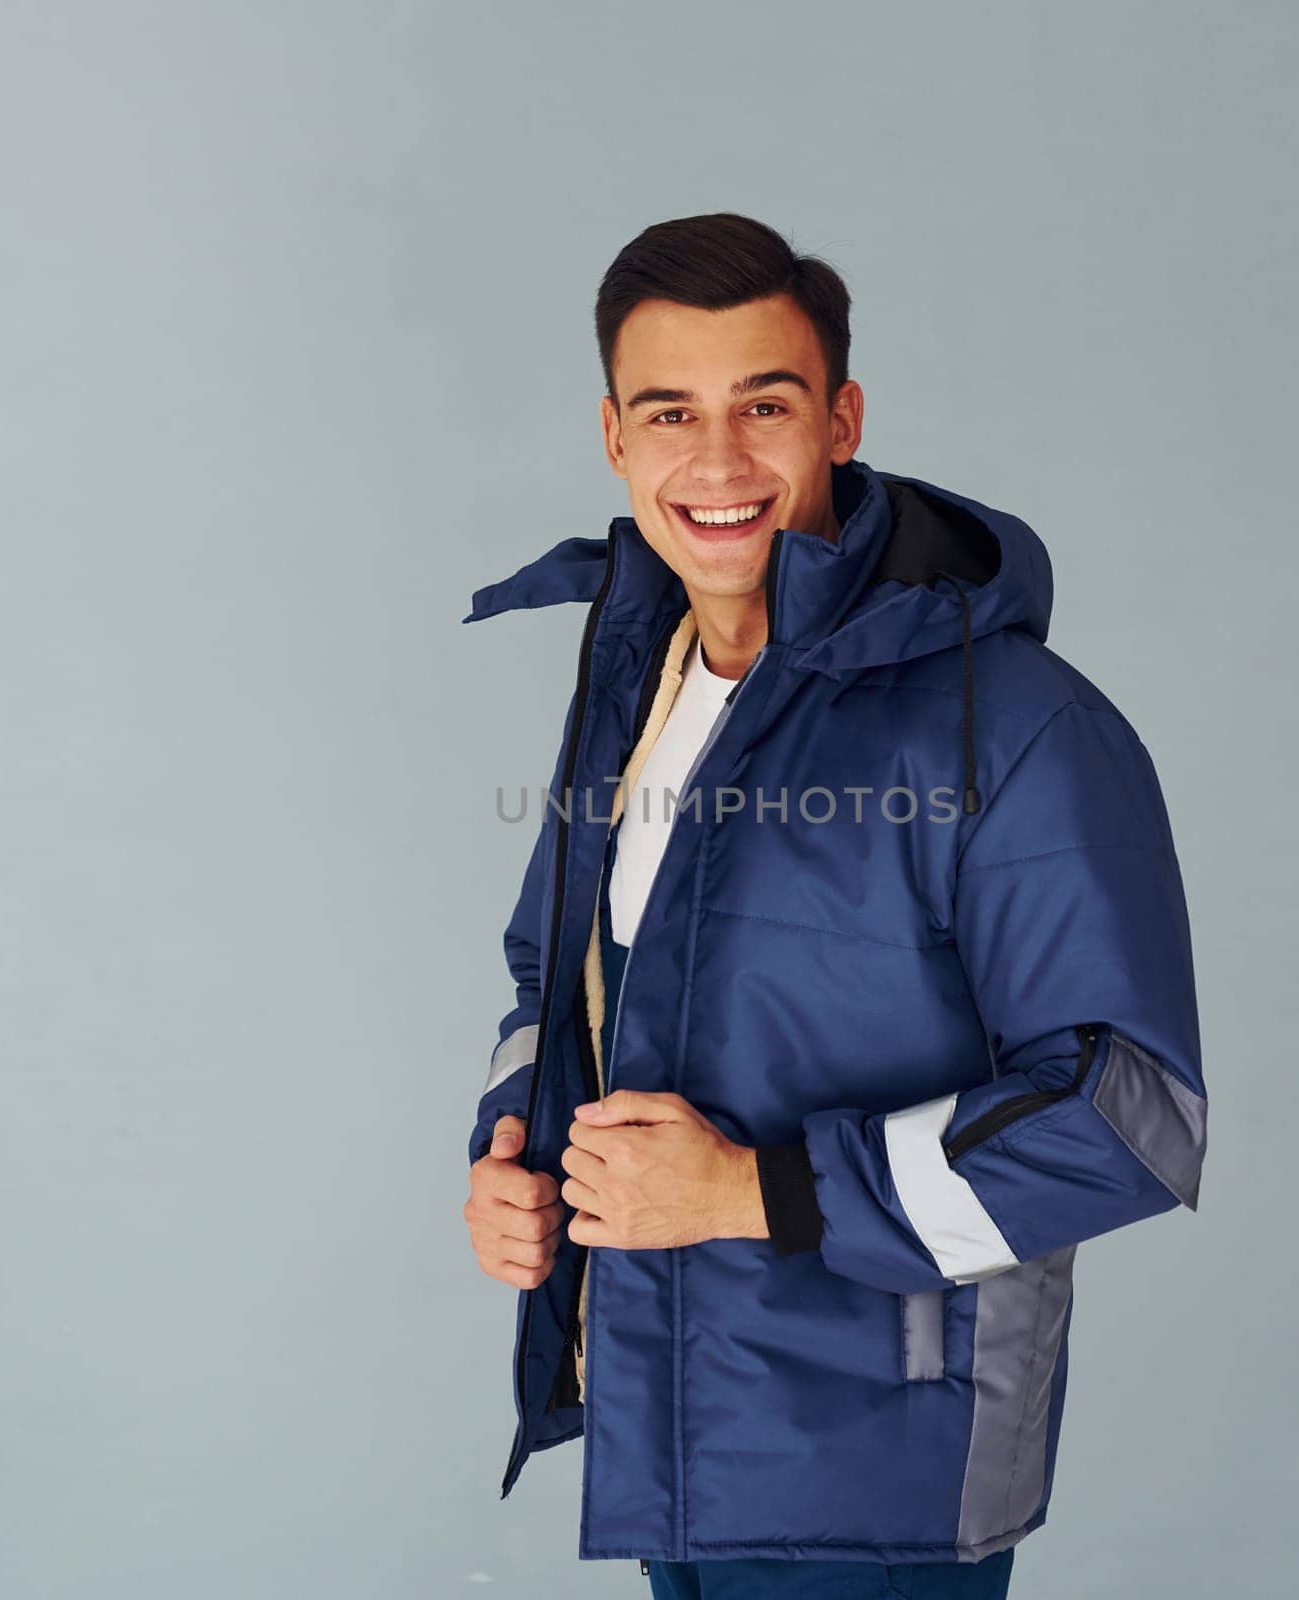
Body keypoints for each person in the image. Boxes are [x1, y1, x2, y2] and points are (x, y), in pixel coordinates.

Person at [460, 213, 1208, 1598]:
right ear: (616, 440)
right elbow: (554, 976)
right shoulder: (642, 687)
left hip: (883, 1467)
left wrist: (751, 1190)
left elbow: (1130, 1117)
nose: (720, 460)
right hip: (672, 1425)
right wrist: (517, 1151)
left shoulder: (1014, 728)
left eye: (768, 404)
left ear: (843, 420)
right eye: (672, 411)